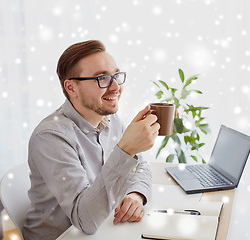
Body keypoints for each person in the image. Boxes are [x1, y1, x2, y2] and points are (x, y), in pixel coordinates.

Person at [23, 40, 159, 239]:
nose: (115, 87)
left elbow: (140, 167)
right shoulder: (51, 137)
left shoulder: (112, 120)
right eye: (102, 78)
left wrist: (135, 195)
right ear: (71, 88)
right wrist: (126, 150)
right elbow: (85, 221)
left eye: (116, 76)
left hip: (105, 229)